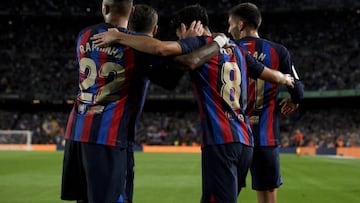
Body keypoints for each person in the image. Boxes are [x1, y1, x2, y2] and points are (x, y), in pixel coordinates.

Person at [91, 4, 295, 203]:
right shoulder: (237, 49)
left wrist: (120, 36)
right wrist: (288, 80)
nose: (180, 39)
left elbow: (167, 52)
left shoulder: (198, 43)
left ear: (185, 28)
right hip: (246, 141)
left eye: (179, 34)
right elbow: (270, 75)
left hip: (221, 141)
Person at [228, 3, 304, 203]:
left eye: (231, 24)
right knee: (268, 197)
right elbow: (297, 88)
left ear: (241, 25)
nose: (229, 29)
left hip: (232, 137)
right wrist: (295, 100)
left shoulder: (226, 50)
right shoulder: (278, 51)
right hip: (265, 137)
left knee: (225, 195)